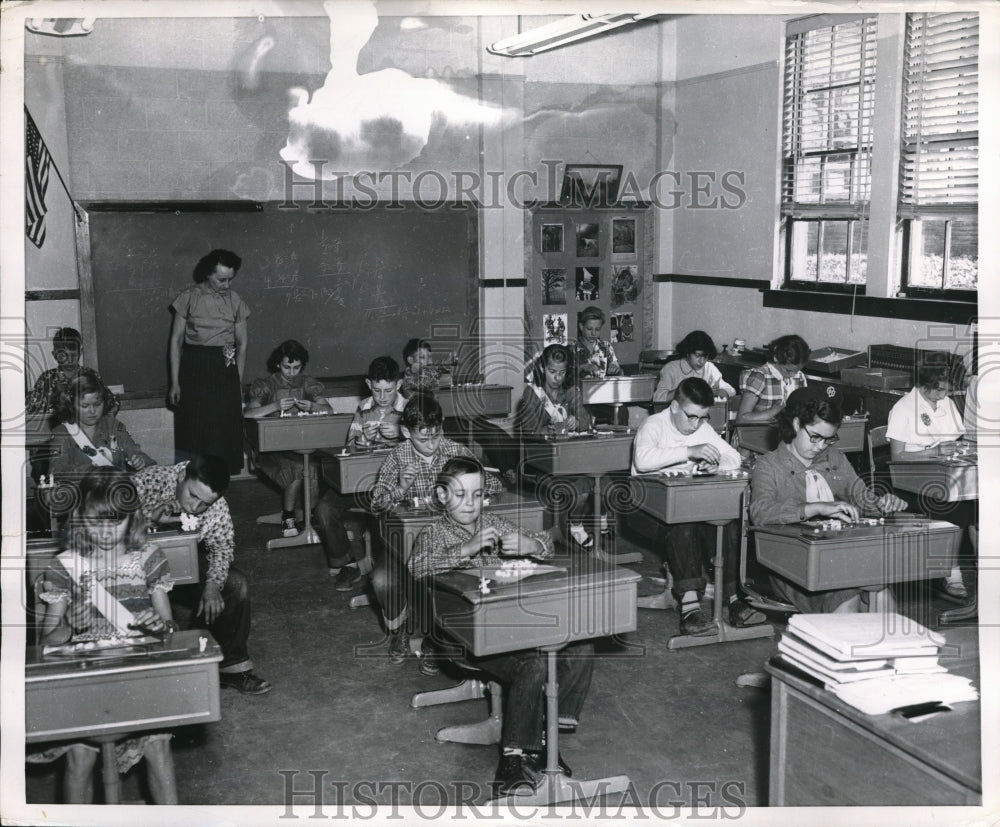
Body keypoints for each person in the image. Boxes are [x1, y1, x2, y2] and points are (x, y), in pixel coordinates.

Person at [408, 457, 592, 797]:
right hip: (460, 637)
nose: (471, 503)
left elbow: (545, 541)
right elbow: (418, 567)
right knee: (533, 665)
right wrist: (467, 548)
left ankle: (544, 736)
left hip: (510, 626)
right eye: (460, 495)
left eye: (478, 495)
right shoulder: (432, 534)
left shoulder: (493, 522)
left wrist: (533, 546)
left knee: (581, 643)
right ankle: (511, 761)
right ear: (442, 495)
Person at [28, 467, 178, 804]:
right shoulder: (65, 566)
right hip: (85, 681)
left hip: (137, 677)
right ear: (81, 519)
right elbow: (45, 643)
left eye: (117, 521)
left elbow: (171, 630)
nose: (107, 533)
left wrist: (159, 625)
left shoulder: (148, 558)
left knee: (158, 747)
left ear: (132, 517)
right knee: (80, 757)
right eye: (97, 523)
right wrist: (70, 627)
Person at [369, 393, 503, 667]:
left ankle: (438, 638)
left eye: (437, 435)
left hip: (449, 540)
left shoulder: (455, 451)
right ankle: (400, 631)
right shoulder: (398, 457)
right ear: (407, 432)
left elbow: (495, 485)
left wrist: (468, 485)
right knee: (382, 579)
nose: (432, 444)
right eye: (423, 438)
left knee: (448, 577)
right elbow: (376, 504)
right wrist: (400, 488)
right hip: (404, 541)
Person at [749, 384, 908, 613]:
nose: (820, 446)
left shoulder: (835, 458)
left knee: (879, 589)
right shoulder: (769, 465)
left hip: (839, 555)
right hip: (791, 561)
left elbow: (861, 496)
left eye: (828, 439)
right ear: (796, 424)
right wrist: (815, 508)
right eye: (815, 437)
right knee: (847, 594)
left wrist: (881, 504)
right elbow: (761, 512)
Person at [633, 377, 765, 635]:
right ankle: (690, 607)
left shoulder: (700, 428)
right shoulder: (653, 425)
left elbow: (733, 456)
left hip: (687, 505)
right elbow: (643, 460)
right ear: (674, 407)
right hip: (647, 509)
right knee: (683, 524)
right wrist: (690, 451)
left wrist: (715, 464)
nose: (696, 424)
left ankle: (733, 599)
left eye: (702, 418)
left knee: (725, 521)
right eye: (691, 416)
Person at [133, 455, 272, 694]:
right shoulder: (147, 481)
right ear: (182, 477)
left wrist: (212, 585)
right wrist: (147, 519)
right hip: (135, 569)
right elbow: (104, 524)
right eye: (193, 495)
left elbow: (222, 548)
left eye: (204, 504)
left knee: (235, 584)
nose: (195, 507)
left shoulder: (217, 505)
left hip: (182, 568)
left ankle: (231, 667)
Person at [314, 356, 402, 591]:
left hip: (399, 485)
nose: (382, 397)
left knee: (387, 512)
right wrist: (362, 440)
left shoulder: (411, 408)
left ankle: (390, 569)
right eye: (376, 390)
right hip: (363, 482)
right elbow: (349, 446)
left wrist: (402, 433)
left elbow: (426, 447)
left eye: (388, 390)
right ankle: (349, 563)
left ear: (399, 385)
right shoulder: (363, 408)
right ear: (368, 384)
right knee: (324, 508)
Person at [886, 362, 970, 599]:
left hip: (943, 475)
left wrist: (959, 450)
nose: (944, 396)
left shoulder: (946, 402)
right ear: (923, 385)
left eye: (947, 390)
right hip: (910, 479)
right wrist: (934, 452)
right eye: (939, 390)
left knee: (975, 504)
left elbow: (956, 438)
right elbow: (897, 456)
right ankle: (951, 572)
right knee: (959, 507)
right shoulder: (903, 408)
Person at [168, 249, 249, 474]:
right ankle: (192, 486)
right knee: (193, 432)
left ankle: (219, 488)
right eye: (221, 279)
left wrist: (236, 381)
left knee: (222, 434)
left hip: (224, 365)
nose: (227, 285)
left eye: (230, 279)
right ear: (207, 274)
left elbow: (242, 344)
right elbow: (176, 341)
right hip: (194, 366)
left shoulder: (235, 300)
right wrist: (175, 383)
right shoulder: (188, 297)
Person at [516, 344, 601, 550]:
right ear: (542, 369)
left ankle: (575, 524)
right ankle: (570, 526)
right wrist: (547, 429)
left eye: (562, 372)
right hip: (540, 460)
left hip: (569, 458)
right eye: (552, 372)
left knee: (589, 482)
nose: (557, 378)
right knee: (581, 483)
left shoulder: (571, 392)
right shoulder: (532, 394)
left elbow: (586, 421)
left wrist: (577, 422)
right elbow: (527, 431)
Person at [244, 339, 332, 537]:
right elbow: (248, 414)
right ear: (278, 364)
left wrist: (314, 406)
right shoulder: (266, 385)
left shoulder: (308, 383)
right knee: (298, 467)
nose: (291, 372)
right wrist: (275, 406)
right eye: (286, 367)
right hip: (273, 448)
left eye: (296, 368)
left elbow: (329, 409)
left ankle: (311, 516)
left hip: (302, 445)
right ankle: (288, 516)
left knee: (313, 466)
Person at [47, 368, 155, 478]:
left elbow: (137, 453)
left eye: (97, 404)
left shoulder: (113, 426)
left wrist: (140, 460)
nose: (92, 411)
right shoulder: (61, 433)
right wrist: (93, 471)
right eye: (85, 406)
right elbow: (57, 470)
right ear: (71, 405)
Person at [27, 327, 120, 419]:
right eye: (64, 355)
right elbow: (30, 410)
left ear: (80, 352)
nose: (70, 360)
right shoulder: (46, 379)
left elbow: (113, 403)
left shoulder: (91, 376)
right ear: (55, 354)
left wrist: (105, 421)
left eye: (74, 355)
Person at [736, 334, 810, 422]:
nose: (793, 375)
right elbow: (741, 419)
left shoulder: (799, 377)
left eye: (797, 371)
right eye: (788, 370)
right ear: (776, 358)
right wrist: (774, 411)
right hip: (760, 429)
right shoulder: (760, 377)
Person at [652, 330, 736, 404]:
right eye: (698, 355)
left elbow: (731, 390)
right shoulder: (671, 368)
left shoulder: (709, 368)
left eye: (705, 356)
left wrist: (720, 392)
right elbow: (658, 399)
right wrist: (683, 391)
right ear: (687, 352)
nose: (702, 361)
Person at [574, 306, 622, 380]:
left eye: (597, 329)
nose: (593, 333)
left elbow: (618, 370)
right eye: (589, 329)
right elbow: (566, 376)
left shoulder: (606, 347)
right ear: (581, 327)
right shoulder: (572, 349)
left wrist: (616, 368)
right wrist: (582, 367)